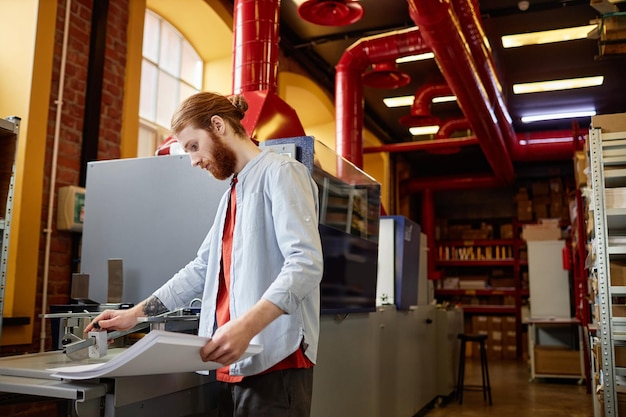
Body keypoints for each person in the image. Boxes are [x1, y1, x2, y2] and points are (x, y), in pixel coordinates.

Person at [85, 91, 324, 417]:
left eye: (194, 146)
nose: (193, 160)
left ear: (218, 125)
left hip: (276, 359)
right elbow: (201, 269)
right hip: (235, 360)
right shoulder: (232, 194)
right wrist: (135, 315)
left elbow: (305, 264)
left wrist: (245, 327)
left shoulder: (281, 172)